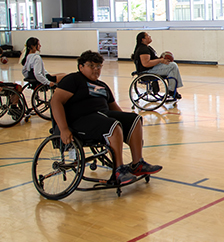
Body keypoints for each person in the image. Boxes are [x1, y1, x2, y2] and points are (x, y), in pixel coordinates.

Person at [51, 50, 162, 185]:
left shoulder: (102, 86)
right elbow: (55, 102)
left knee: (134, 119)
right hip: (80, 120)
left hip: (102, 117)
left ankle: (137, 163)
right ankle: (119, 170)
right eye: (91, 66)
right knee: (113, 125)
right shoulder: (73, 80)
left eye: (98, 66)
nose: (96, 70)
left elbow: (116, 109)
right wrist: (63, 129)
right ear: (81, 67)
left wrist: (130, 127)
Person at [132, 31, 183, 100]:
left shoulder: (147, 47)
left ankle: (173, 90)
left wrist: (161, 59)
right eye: (147, 35)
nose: (149, 36)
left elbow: (152, 60)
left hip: (151, 68)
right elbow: (146, 64)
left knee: (171, 67)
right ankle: (171, 90)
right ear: (143, 39)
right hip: (147, 71)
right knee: (173, 66)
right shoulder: (143, 49)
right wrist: (160, 60)